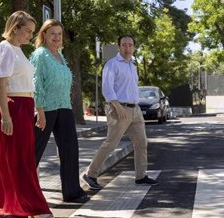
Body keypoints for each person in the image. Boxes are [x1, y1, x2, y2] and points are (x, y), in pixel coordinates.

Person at [0, 11, 54, 218]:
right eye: (27, 31)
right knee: (21, 160)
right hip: (13, 108)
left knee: (5, 158)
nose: (30, 35)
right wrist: (6, 117)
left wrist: (36, 109)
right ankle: (34, 206)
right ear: (15, 27)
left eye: (31, 31)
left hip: (23, 107)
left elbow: (27, 84)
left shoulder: (17, 50)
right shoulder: (5, 49)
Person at [82, 35, 158, 190]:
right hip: (119, 110)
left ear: (134, 47)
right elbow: (107, 88)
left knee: (141, 142)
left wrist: (134, 105)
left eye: (130, 45)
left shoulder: (133, 64)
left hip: (135, 110)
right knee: (111, 144)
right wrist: (118, 106)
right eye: (124, 45)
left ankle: (141, 176)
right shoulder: (112, 64)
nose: (127, 48)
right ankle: (90, 174)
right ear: (119, 47)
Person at [31, 19, 89, 203]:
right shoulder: (40, 55)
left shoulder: (60, 55)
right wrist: (39, 110)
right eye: (52, 33)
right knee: (33, 153)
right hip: (46, 108)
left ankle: (72, 192)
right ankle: (22, 192)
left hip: (64, 107)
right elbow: (36, 83)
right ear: (44, 35)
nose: (56, 37)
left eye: (59, 34)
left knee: (70, 150)